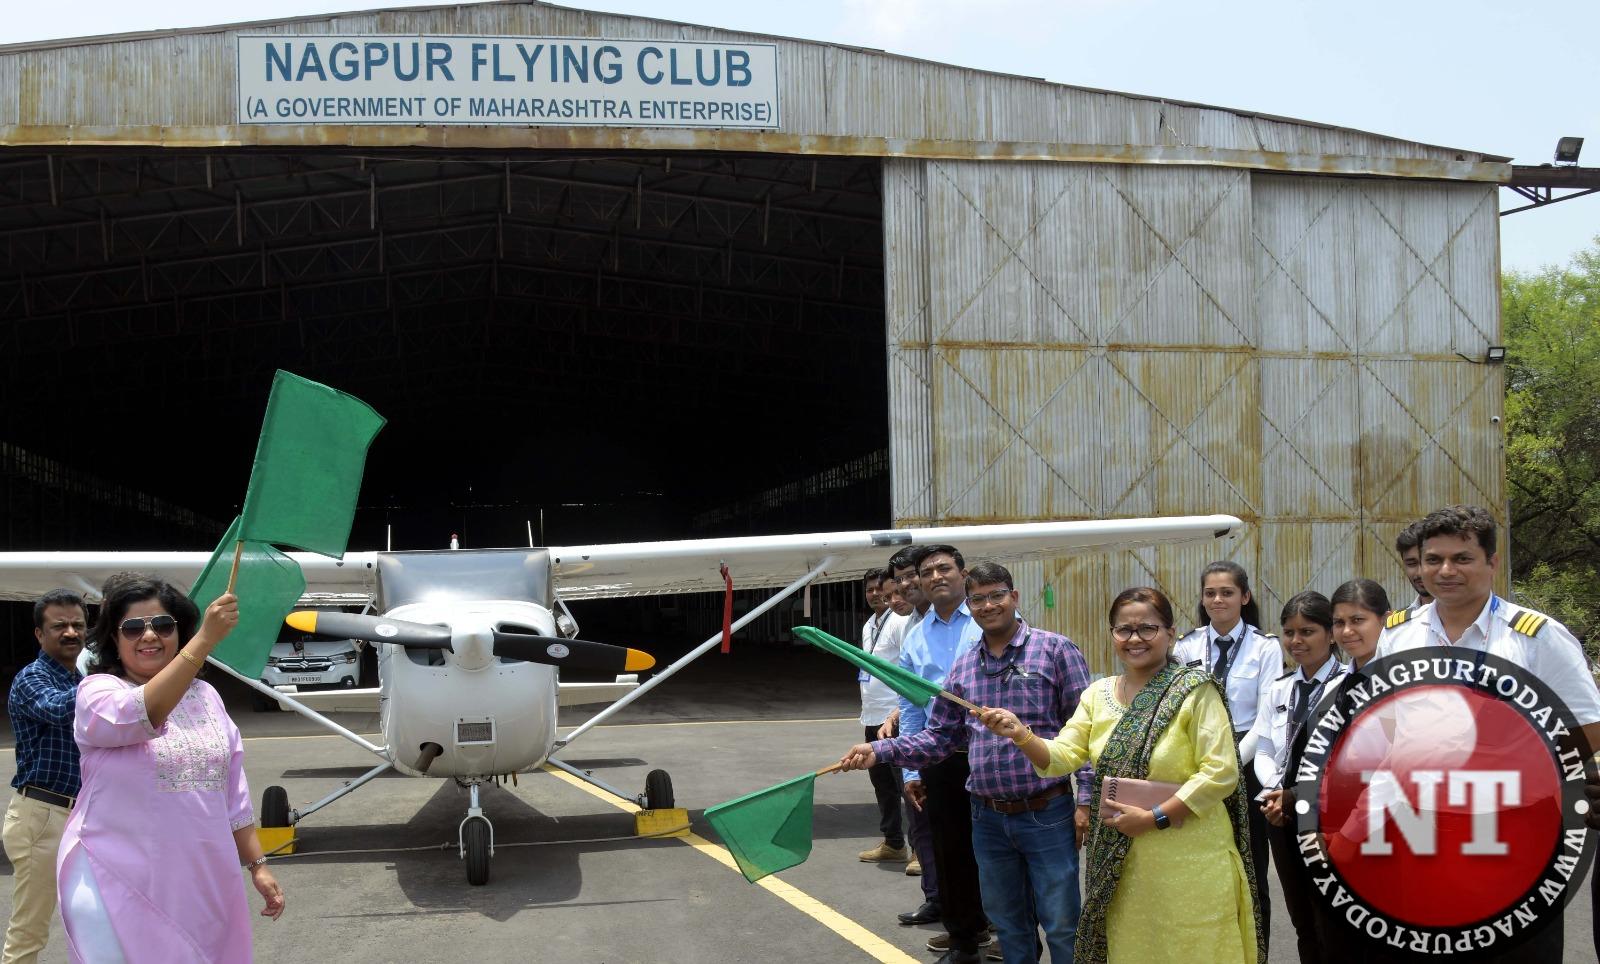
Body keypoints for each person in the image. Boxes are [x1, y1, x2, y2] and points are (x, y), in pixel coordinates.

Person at [977, 587, 1262, 964]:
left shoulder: (1195, 692)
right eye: (1123, 630)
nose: (1135, 639)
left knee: (1193, 948)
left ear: (1170, 633)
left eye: (1147, 628)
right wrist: (1020, 734)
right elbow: (1063, 756)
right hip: (1125, 864)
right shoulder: (1098, 694)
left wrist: (1155, 817)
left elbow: (1221, 772)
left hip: (1191, 859)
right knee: (1133, 949)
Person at [1376, 504, 1600, 963]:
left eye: (1462, 558)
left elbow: (1589, 728)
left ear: (1492, 563)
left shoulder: (1536, 638)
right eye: (1433, 559)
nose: (1445, 570)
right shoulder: (1397, 635)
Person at [842, 562, 1094, 964]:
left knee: (1062, 921)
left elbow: (1086, 730)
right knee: (1009, 923)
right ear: (970, 605)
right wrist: (880, 751)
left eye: (997, 595)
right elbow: (941, 737)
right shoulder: (964, 667)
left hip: (1045, 811)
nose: (988, 605)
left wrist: (1087, 802)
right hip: (987, 818)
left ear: (1014, 597)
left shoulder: (1054, 650)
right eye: (978, 599)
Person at [59, 576, 285, 963]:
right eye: (134, 627)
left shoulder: (207, 696)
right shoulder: (97, 693)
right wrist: (206, 640)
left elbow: (233, 793)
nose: (150, 636)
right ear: (114, 638)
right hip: (115, 877)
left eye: (163, 625)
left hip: (202, 882)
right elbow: (143, 712)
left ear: (178, 632)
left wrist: (257, 866)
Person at [888, 545, 991, 960]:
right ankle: (964, 938)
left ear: (963, 573)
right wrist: (912, 771)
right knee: (949, 851)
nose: (935, 576)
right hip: (941, 758)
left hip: (991, 753)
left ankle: (1010, 930)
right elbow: (912, 709)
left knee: (997, 848)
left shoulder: (991, 620)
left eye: (944, 568)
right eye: (926, 571)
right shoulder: (915, 638)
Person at [1172, 561, 1277, 937]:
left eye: (1227, 592)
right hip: (1196, 765)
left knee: (1251, 867)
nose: (1218, 600)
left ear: (1244, 597)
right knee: (1200, 862)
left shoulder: (1266, 649)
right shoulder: (1186, 646)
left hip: (1245, 765)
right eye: (1210, 593)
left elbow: (1266, 716)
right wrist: (1207, 765)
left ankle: (1256, 948)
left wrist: (1229, 763)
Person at [1250, 592, 1344, 964]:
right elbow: (1263, 748)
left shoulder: (1348, 685)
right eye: (1289, 632)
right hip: (1282, 813)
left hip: (1329, 814)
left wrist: (1289, 794)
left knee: (1334, 917)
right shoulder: (1280, 688)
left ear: (1331, 634)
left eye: (1308, 631)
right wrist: (1274, 791)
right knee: (1302, 918)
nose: (1296, 641)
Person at [3, 589, 87, 964]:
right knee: (30, 929)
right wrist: (102, 681)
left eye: (78, 625)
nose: (71, 632)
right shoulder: (32, 678)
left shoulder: (79, 678)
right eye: (59, 626)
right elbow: (55, 711)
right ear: (39, 634)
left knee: (92, 917)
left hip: (82, 817)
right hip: (42, 815)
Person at [885, 544, 940, 921]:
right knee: (923, 829)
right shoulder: (911, 627)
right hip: (923, 748)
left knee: (966, 840)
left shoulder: (970, 621)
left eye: (911, 576)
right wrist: (910, 768)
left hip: (963, 751)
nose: (906, 585)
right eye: (900, 579)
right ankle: (938, 900)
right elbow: (910, 700)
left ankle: (983, 918)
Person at [856, 568, 910, 865]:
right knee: (883, 785)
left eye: (883, 589)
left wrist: (899, 711)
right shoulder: (869, 625)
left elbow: (911, 668)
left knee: (906, 784)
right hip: (872, 716)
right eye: (871, 590)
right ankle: (893, 842)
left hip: (895, 717)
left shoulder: (901, 622)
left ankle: (919, 851)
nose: (876, 595)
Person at [1393, 524, 1433, 614]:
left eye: (1430, 561)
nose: (1420, 573)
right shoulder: (1399, 625)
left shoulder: (1469, 618)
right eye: (1412, 564)